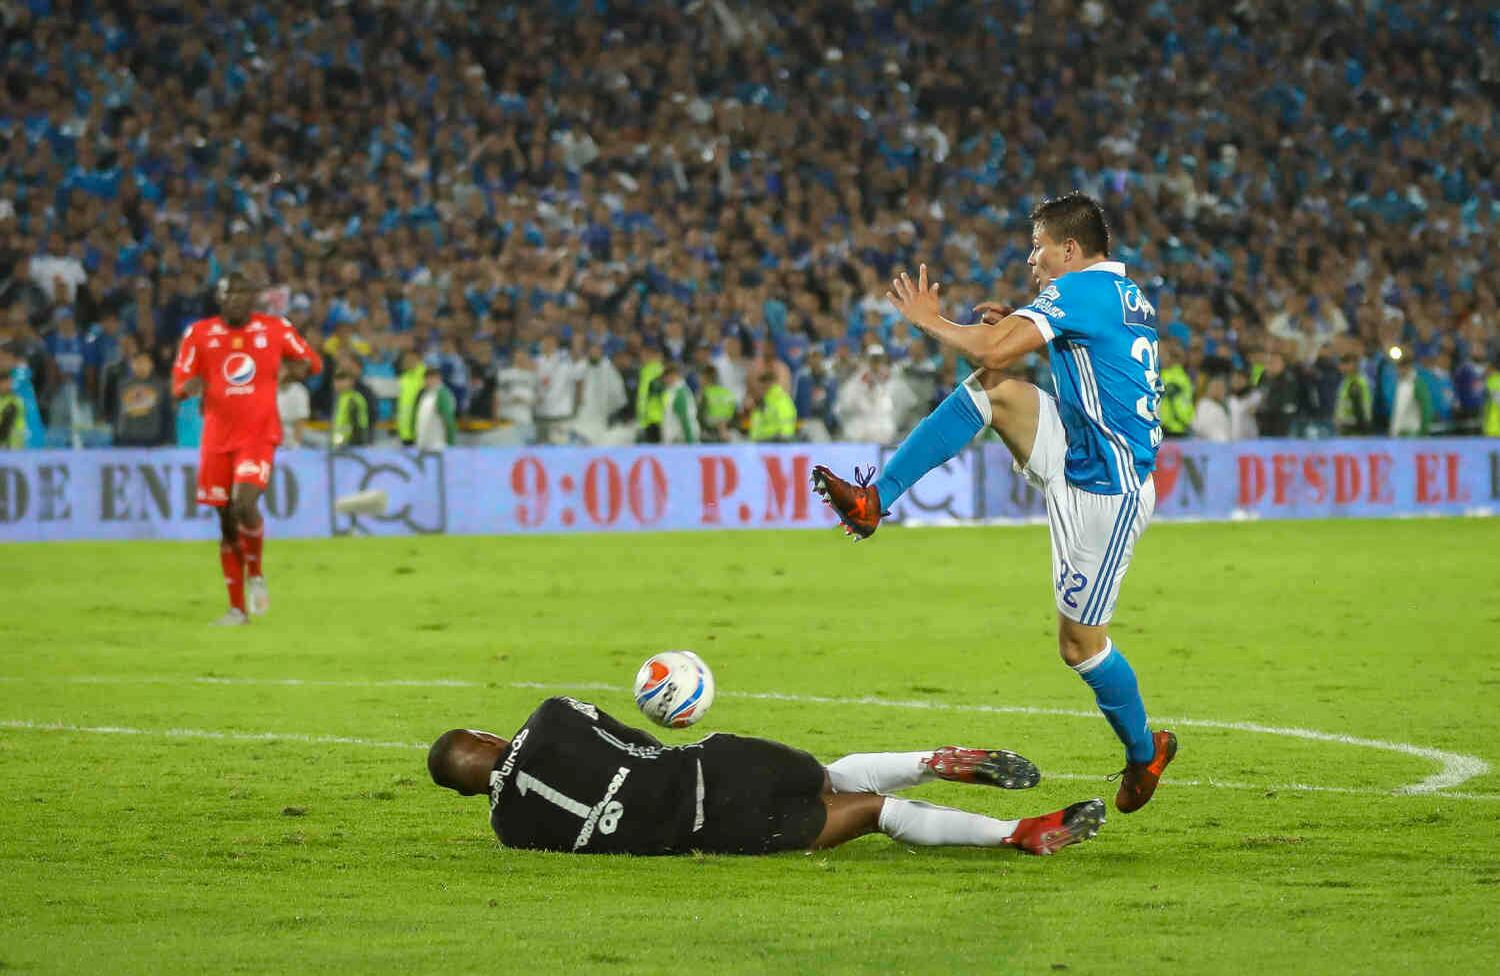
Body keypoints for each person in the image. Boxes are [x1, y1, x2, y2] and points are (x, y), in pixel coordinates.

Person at [811, 194, 1176, 814]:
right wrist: (1019, 327)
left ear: (1069, 249)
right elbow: (1085, 357)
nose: (1031, 258)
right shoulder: (1118, 292)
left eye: (1038, 246)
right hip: (1079, 444)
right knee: (993, 391)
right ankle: (875, 500)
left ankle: (1146, 753)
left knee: (1081, 647)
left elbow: (992, 346)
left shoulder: (1083, 290)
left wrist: (930, 320)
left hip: (1107, 488)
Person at [428, 696, 1105, 857]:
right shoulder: (548, 718)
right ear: (488, 736)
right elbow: (636, 738)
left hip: (708, 827)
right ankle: (933, 760)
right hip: (715, 763)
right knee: (836, 776)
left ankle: (1019, 833)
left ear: (468, 792)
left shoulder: (508, 831)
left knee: (871, 811)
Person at [171, 272, 323, 626]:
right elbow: (178, 384)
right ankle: (237, 610)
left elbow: (312, 362)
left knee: (244, 503)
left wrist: (289, 372)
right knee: (226, 523)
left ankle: (256, 573)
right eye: (230, 294)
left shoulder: (274, 328)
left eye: (243, 294)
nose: (237, 300)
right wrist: (188, 387)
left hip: (258, 433)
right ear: (220, 299)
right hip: (216, 438)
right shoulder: (199, 333)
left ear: (252, 299)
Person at [113, 352, 173, 447]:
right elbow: (116, 413)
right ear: (132, 365)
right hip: (126, 439)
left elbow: (167, 415)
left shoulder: (161, 386)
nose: (140, 366)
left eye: (144, 362)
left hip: (153, 440)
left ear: (151, 365)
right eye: (137, 362)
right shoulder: (122, 386)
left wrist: (167, 439)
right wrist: (116, 437)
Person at [414, 366, 458, 451]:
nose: (429, 381)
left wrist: (450, 442)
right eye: (427, 378)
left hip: (438, 444)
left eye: (433, 378)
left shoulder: (442, 395)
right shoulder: (423, 394)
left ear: (439, 378)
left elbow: (448, 419)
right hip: (423, 443)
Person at [331, 370, 372, 448]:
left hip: (350, 445)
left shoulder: (354, 399)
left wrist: (344, 442)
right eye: (336, 381)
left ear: (351, 382)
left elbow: (358, 425)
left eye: (342, 380)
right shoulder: (340, 399)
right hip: (340, 443)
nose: (338, 384)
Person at [276, 370, 312, 448]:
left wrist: (296, 444)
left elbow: (301, 420)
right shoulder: (270, 388)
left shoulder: (299, 391)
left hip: (291, 432)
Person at [0, 367, 25, 449]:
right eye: (4, 382)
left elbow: (6, 426)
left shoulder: (15, 401)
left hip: (12, 445)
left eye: (9, 382)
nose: (7, 385)